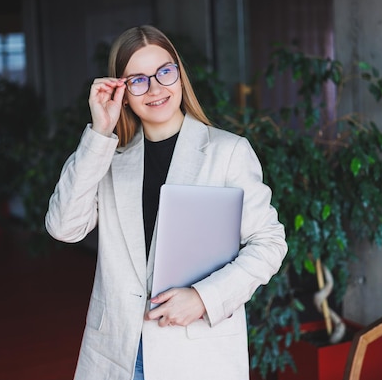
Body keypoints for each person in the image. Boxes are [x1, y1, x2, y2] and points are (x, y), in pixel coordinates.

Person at [45, 25, 287, 380]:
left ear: (179, 75)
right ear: (122, 92)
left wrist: (204, 298)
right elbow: (64, 227)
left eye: (165, 72)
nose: (156, 88)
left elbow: (269, 243)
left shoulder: (227, 152)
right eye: (138, 80)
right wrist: (100, 132)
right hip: (117, 354)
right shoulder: (108, 159)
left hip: (196, 352)